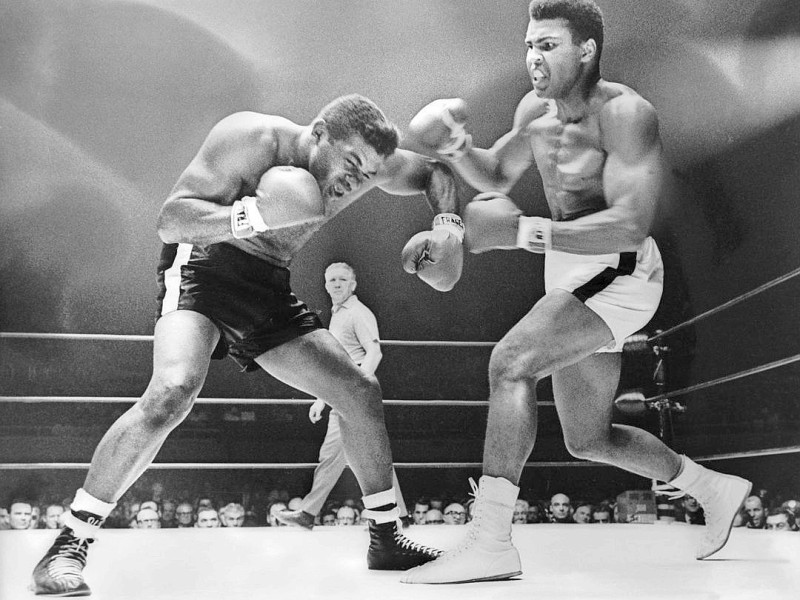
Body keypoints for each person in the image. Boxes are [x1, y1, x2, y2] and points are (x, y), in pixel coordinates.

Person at [32, 93, 462, 596]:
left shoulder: (366, 167)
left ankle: (387, 538)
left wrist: (448, 229)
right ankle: (68, 544)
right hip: (202, 269)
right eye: (349, 164)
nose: (354, 181)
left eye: (367, 173)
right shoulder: (251, 138)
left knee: (359, 392)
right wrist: (250, 216)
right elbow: (171, 220)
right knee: (172, 391)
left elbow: (435, 174)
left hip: (267, 286)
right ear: (319, 133)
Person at [400, 0, 752, 584]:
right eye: (529, 46)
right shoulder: (533, 110)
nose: (533, 58)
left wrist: (521, 232)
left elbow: (630, 223)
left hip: (621, 271)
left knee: (511, 361)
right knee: (589, 437)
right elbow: (497, 174)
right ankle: (710, 487)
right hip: (570, 272)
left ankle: (491, 540)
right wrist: (459, 148)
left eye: (548, 45)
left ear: (586, 49)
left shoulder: (626, 114)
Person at [277, 262, 409, 530]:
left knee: (335, 454)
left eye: (342, 279)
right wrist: (322, 399)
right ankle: (400, 514)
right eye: (332, 280)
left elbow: (374, 353)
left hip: (351, 394)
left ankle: (307, 513)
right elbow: (336, 366)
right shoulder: (338, 314)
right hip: (344, 394)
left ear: (353, 284)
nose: (336, 284)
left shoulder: (358, 313)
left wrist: (357, 388)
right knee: (369, 454)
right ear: (326, 285)